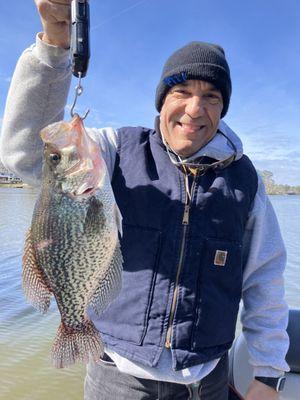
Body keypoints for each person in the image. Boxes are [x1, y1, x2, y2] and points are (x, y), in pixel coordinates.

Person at [0, 1, 290, 399]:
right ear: (162, 100)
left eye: (211, 96)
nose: (194, 108)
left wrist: (269, 373)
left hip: (209, 382)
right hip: (119, 378)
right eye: (182, 91)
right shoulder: (114, 152)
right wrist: (54, 45)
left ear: (223, 108)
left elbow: (265, 279)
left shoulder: (244, 181)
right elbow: (27, 154)